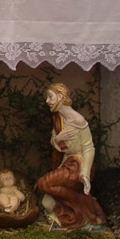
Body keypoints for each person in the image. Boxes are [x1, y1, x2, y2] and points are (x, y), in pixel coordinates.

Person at [35, 83, 106, 229]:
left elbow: (88, 147)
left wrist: (85, 174)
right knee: (47, 203)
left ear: (60, 97)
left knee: (43, 184)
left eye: (50, 97)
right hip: (66, 161)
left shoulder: (78, 120)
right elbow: (53, 140)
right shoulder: (58, 118)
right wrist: (58, 139)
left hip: (77, 164)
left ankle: (86, 204)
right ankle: (81, 206)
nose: (47, 101)